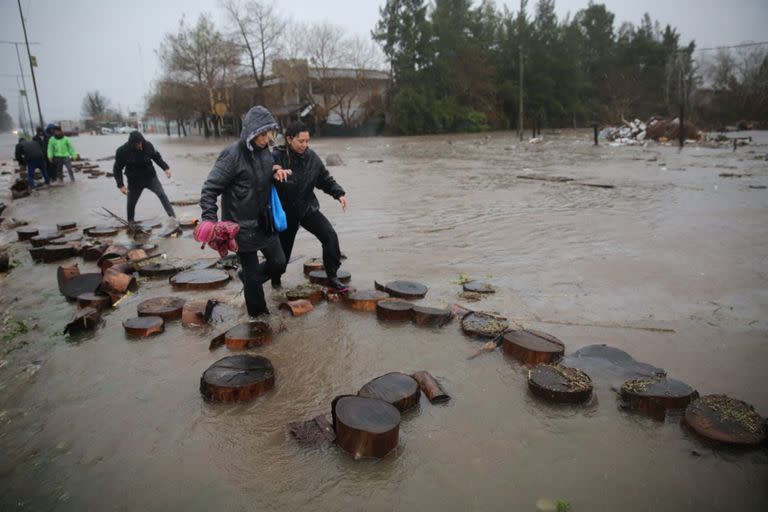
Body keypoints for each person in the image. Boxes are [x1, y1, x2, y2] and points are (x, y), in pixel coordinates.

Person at [200, 105, 289, 317]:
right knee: (253, 278)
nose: (266, 139)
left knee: (279, 262)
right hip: (240, 226)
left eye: (269, 133)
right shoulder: (231, 155)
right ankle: (260, 320)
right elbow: (209, 189)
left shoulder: (265, 151)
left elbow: (268, 167)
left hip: (264, 221)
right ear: (250, 132)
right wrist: (209, 221)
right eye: (261, 134)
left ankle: (248, 277)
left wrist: (276, 171)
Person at [271, 121, 348, 291]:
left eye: (307, 141)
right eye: (301, 141)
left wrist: (339, 194)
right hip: (285, 215)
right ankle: (275, 283)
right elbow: (266, 169)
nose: (305, 145)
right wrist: (274, 170)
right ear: (289, 139)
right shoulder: (277, 156)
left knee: (330, 237)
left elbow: (325, 179)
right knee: (281, 261)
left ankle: (332, 277)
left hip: (307, 208)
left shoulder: (312, 158)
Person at [113, 131, 176, 223]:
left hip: (150, 177)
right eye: (137, 144)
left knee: (162, 194)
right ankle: (130, 222)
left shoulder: (148, 145)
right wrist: (121, 185)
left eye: (141, 142)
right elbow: (117, 169)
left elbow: (156, 157)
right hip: (134, 181)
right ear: (132, 143)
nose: (140, 145)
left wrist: (165, 168)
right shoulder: (122, 151)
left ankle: (173, 218)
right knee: (131, 202)